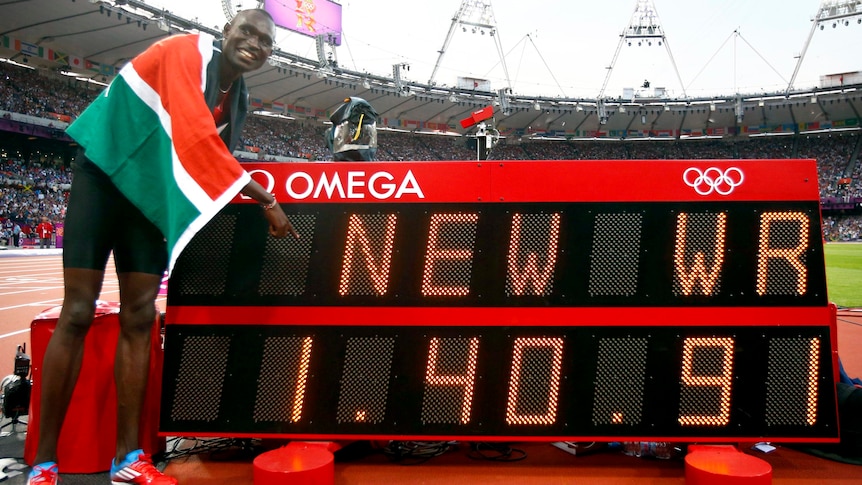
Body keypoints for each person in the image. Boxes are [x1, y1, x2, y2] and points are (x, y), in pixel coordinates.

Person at [27, 9, 297, 485]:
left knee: (139, 317)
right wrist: (266, 199)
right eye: (247, 32)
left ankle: (129, 460)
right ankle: (44, 464)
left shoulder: (240, 99)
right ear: (226, 30)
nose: (254, 43)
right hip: (106, 174)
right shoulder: (185, 51)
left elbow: (218, 159)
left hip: (149, 192)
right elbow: (195, 138)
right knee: (76, 312)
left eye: (265, 41)